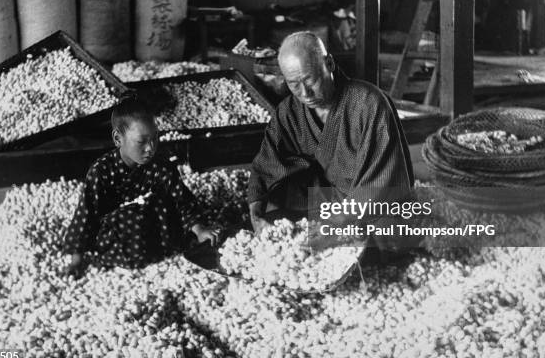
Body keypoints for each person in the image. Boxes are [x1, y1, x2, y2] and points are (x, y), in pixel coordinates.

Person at [248, 32, 415, 250]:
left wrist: (335, 228)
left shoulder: (368, 103)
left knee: (383, 240)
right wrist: (256, 213)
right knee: (280, 214)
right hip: (325, 206)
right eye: (293, 84)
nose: (305, 93)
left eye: (310, 80)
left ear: (329, 63)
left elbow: (381, 183)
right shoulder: (289, 112)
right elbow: (266, 165)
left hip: (368, 207)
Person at [63, 94, 219, 275]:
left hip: (159, 234)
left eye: (155, 138)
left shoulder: (161, 166)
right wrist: (77, 258)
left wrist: (199, 230)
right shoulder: (102, 171)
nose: (150, 148)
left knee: (161, 207)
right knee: (132, 217)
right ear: (117, 138)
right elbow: (87, 212)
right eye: (141, 141)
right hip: (121, 238)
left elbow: (181, 200)